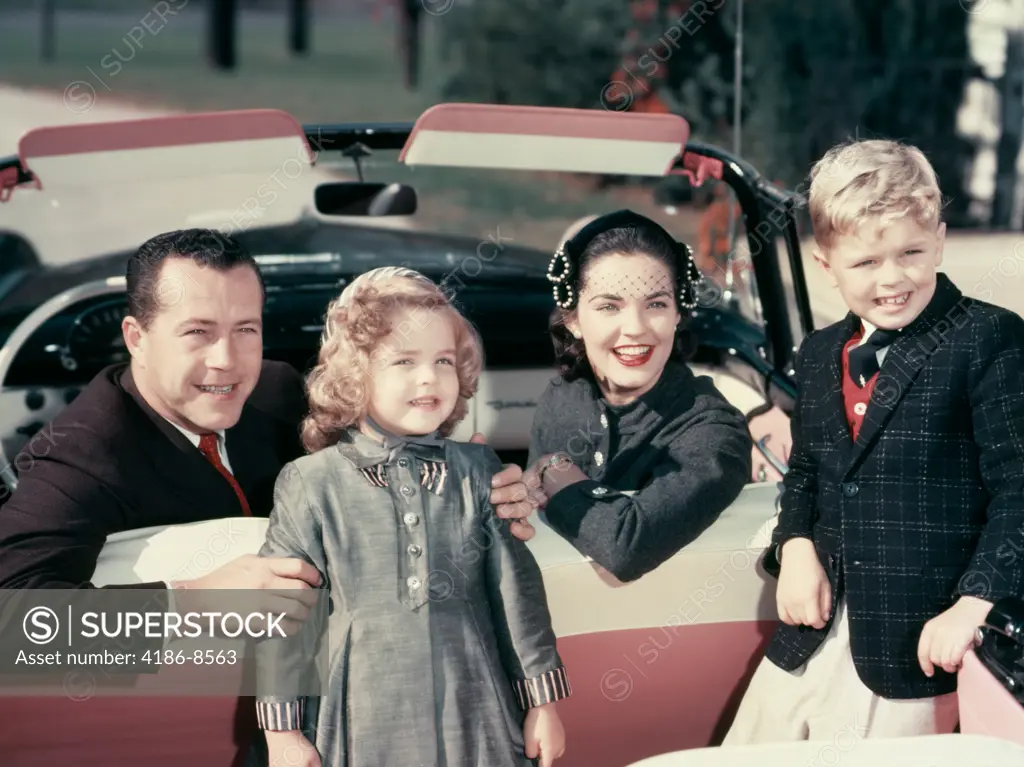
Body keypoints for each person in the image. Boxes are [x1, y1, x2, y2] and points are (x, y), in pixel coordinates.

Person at [0, 228, 536, 593]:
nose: (227, 361)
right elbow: (16, 623)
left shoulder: (278, 391)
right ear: (136, 338)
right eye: (198, 333)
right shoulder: (80, 454)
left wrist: (475, 487)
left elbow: (375, 470)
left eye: (246, 330)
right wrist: (193, 603)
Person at [723, 139, 1024, 743]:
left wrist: (973, 606)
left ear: (939, 240)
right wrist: (796, 545)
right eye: (865, 263)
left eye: (911, 252)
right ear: (826, 264)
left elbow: (1018, 494)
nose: (892, 279)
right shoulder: (815, 353)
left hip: (923, 641)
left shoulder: (990, 339)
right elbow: (806, 470)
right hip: (812, 632)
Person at [254, 267, 569, 767]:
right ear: (355, 375)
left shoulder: (478, 470)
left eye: (443, 360)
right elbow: (284, 618)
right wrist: (282, 734)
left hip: (476, 705)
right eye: (404, 360)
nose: (429, 377)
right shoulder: (310, 482)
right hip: (359, 711)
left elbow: (516, 594)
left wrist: (543, 704)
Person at [524, 209, 753, 583]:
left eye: (656, 304)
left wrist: (555, 471)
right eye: (609, 306)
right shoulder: (562, 399)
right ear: (573, 320)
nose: (635, 328)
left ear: (678, 313)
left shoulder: (714, 431)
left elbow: (626, 547)